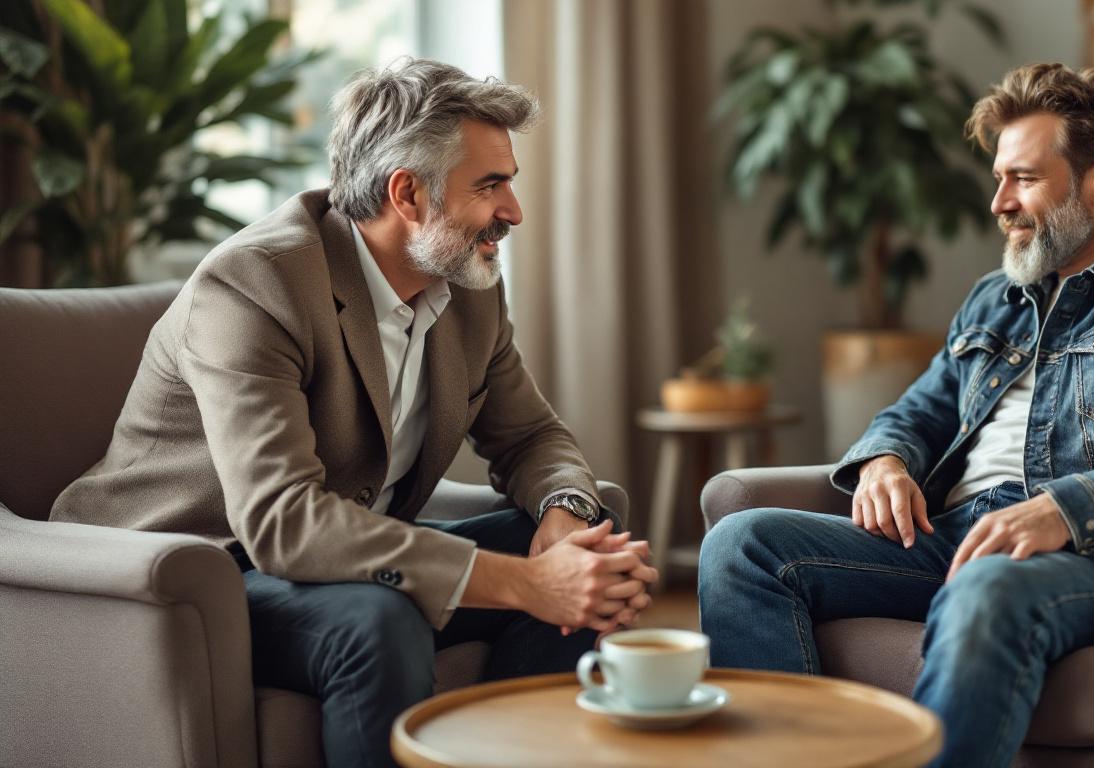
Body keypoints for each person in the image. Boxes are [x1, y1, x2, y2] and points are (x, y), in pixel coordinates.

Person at [50, 59, 657, 768]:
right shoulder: (255, 284)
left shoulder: (467, 284)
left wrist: (561, 517)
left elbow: (531, 436)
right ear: (407, 193)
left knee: (594, 547)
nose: (513, 211)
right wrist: (526, 583)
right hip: (188, 573)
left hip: (341, 557)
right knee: (379, 620)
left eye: (509, 182)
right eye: (490, 185)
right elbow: (283, 522)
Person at [698, 62, 1094, 766]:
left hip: (1093, 553)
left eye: (1023, 178)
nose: (998, 203)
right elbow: (920, 409)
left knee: (988, 586)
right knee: (741, 545)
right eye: (998, 178)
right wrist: (886, 459)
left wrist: (1063, 510)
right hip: (951, 532)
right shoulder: (996, 295)